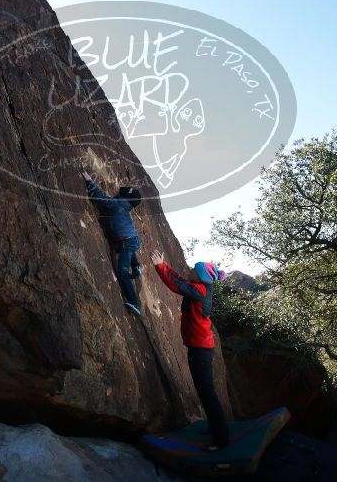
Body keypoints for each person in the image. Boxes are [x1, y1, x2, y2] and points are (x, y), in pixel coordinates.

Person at [150, 250, 230, 449]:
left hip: (200, 349)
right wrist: (165, 265)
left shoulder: (200, 290)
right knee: (205, 392)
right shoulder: (200, 287)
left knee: (207, 393)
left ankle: (221, 440)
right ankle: (217, 430)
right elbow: (181, 281)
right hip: (200, 346)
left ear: (200, 276)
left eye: (194, 269)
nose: (190, 269)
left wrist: (160, 267)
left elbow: (177, 285)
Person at [81, 170, 143, 316]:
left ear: (123, 196)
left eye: (119, 191)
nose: (115, 190)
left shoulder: (119, 203)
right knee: (129, 248)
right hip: (132, 240)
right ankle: (136, 267)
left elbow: (101, 199)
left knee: (122, 272)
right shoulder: (125, 206)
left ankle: (135, 304)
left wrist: (90, 182)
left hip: (126, 242)